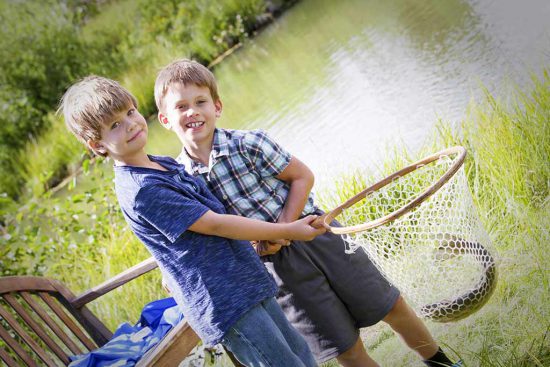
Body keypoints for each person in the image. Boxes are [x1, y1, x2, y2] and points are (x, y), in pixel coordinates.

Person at [154, 59, 463, 367]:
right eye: (181, 107)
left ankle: (443, 363)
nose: (192, 111)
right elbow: (214, 230)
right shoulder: (183, 180)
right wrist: (260, 244)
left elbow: (302, 176)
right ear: (166, 120)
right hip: (276, 269)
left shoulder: (250, 143)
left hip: (318, 236)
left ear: (217, 107)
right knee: (345, 346)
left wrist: (285, 227)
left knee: (390, 306)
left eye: (200, 102)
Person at [59, 76, 326, 367]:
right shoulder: (142, 190)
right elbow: (214, 223)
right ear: (97, 145)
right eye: (114, 125)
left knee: (300, 354)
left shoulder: (161, 163)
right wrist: (287, 230)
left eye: (130, 112)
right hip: (224, 299)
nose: (131, 124)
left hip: (244, 278)